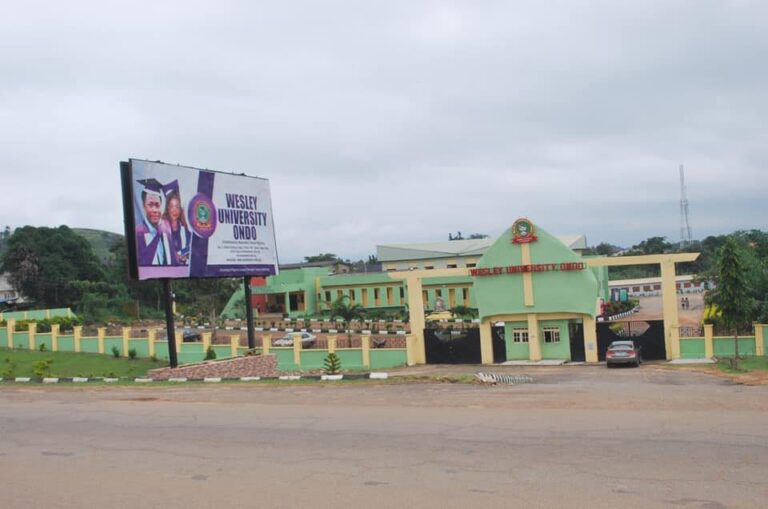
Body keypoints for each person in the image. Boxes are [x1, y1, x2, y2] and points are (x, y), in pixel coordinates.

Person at [135, 178, 172, 266]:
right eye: (150, 205)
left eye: (157, 205)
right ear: (144, 206)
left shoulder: (166, 231)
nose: (155, 210)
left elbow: (172, 261)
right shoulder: (138, 233)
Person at [162, 181, 192, 266]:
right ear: (167, 208)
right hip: (166, 270)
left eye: (177, 206)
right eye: (171, 206)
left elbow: (191, 246)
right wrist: (174, 255)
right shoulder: (162, 228)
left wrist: (184, 254)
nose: (174, 210)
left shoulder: (184, 228)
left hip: (183, 270)